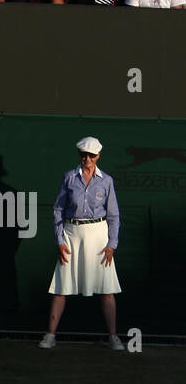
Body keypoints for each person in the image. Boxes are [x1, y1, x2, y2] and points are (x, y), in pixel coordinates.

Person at [40, 137, 124, 351]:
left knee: (107, 289)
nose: (86, 159)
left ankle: (113, 337)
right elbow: (58, 209)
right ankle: (50, 335)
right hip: (71, 235)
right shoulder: (69, 178)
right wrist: (59, 240)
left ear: (98, 156)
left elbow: (113, 215)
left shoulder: (106, 181)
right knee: (61, 286)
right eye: (83, 155)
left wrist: (112, 244)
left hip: (99, 236)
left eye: (91, 155)